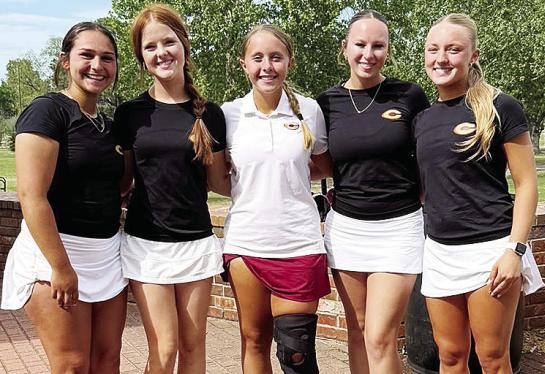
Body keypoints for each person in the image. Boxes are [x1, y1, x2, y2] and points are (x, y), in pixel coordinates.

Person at [414, 13, 544, 373]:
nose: (441, 58)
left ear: (473, 54)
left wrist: (514, 251)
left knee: (492, 358)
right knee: (450, 356)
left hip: (490, 251)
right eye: (433, 49)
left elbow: (527, 183)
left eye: (453, 49)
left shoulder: (502, 106)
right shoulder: (422, 119)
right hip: (439, 252)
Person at [0, 22, 128, 373]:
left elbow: (117, 187)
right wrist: (60, 266)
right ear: (64, 61)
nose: (97, 65)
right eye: (86, 55)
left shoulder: (109, 124)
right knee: (71, 365)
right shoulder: (48, 111)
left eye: (107, 57)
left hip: (106, 257)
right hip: (57, 254)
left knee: (107, 361)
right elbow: (31, 196)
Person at [114, 4, 228, 373]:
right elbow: (123, 181)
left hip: (195, 243)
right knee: (164, 350)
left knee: (194, 347)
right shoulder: (129, 114)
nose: (161, 52)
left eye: (168, 42)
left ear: (184, 45)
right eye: (150, 47)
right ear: (141, 57)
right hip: (146, 245)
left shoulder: (209, 114)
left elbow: (219, 183)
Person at [316, 10, 430, 374]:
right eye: (360, 44)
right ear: (345, 48)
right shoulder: (326, 103)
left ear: (388, 50)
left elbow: (430, 154)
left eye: (378, 45)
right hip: (347, 229)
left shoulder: (409, 95)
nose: (368, 53)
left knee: (380, 337)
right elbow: (320, 163)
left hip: (399, 228)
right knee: (358, 331)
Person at [221, 24, 332, 374]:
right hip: (246, 243)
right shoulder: (227, 115)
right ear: (244, 64)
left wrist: (290, 177)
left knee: (296, 353)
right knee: (254, 341)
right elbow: (220, 178)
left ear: (289, 62)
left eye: (275, 57)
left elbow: (322, 166)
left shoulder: (310, 111)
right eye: (257, 58)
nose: (266, 66)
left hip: (299, 242)